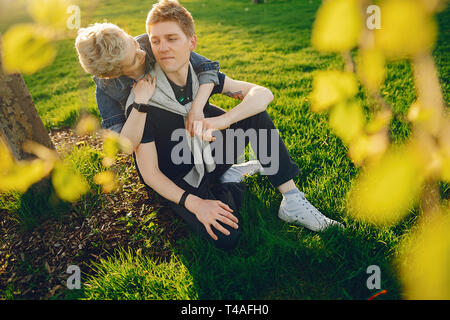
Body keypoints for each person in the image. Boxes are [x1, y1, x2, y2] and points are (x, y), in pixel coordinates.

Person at [76, 0, 343, 251]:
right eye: (135, 58)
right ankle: (229, 180)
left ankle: (292, 199)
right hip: (170, 164)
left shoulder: (158, 46)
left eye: (138, 43)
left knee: (252, 114)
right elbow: (132, 152)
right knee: (227, 237)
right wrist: (142, 104)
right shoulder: (127, 98)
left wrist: (214, 115)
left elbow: (213, 73)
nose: (145, 51)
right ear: (114, 74)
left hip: (201, 140)